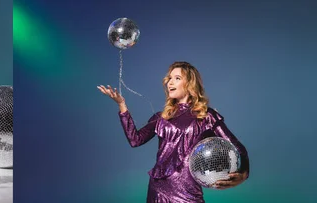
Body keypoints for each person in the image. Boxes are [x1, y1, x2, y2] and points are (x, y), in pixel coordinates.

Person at [97, 61, 250, 202]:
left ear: (190, 83)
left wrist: (243, 174)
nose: (170, 82)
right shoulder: (162, 117)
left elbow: (237, 148)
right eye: (169, 78)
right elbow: (135, 140)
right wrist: (122, 106)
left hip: (188, 192)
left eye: (177, 78)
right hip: (158, 190)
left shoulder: (206, 116)